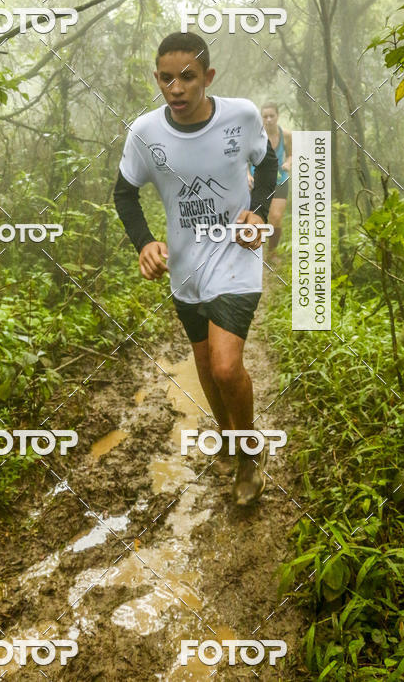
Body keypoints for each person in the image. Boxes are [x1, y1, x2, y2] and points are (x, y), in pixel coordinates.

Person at [113, 32, 278, 506]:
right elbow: (124, 193)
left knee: (227, 367)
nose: (177, 88)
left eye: (187, 77)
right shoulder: (145, 132)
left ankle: (250, 454)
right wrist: (145, 242)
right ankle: (228, 436)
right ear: (157, 80)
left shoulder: (241, 116)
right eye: (166, 78)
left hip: (236, 256)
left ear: (207, 77)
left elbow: (267, 169)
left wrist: (260, 213)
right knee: (205, 364)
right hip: (185, 267)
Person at [249, 101, 291, 253]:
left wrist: (288, 163)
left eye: (271, 116)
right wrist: (247, 174)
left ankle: (272, 253)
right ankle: (254, 250)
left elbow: (291, 155)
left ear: (278, 116)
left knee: (276, 217)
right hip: (257, 180)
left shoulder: (286, 135)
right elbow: (244, 159)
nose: (268, 120)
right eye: (265, 116)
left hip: (280, 179)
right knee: (255, 216)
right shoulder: (255, 135)